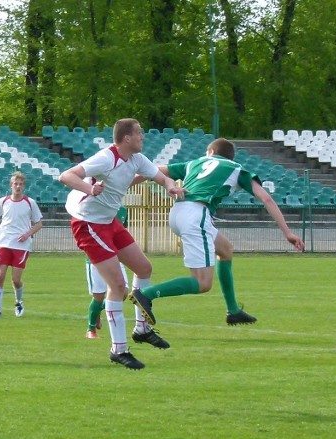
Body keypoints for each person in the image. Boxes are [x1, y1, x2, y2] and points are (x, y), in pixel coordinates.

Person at [128, 137, 305, 327]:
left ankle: (234, 311)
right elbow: (266, 199)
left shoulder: (196, 163)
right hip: (196, 215)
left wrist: (125, 184)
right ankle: (145, 294)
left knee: (225, 249)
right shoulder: (237, 169)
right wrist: (287, 232)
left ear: (211, 152)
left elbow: (153, 172)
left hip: (179, 212)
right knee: (203, 283)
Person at [59, 118, 184, 370]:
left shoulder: (137, 159)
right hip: (89, 224)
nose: (143, 137)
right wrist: (89, 188)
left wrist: (171, 186)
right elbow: (66, 176)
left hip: (109, 221)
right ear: (126, 138)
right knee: (118, 285)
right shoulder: (106, 158)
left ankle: (142, 330)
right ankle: (118, 349)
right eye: (139, 133)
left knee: (144, 268)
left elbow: (161, 177)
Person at [0, 171, 43, 319]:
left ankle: (19, 301)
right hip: (3, 242)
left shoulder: (30, 202)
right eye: (16, 184)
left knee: (16, 279)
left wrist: (27, 234)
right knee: (0, 274)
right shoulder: (3, 201)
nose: (18, 186)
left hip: (21, 245)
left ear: (24, 186)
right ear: (11, 185)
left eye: (21, 184)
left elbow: (39, 223)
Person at [84, 206, 129, 339]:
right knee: (98, 296)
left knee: (124, 292)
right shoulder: (97, 209)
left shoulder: (123, 211)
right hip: (96, 258)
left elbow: (122, 232)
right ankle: (90, 329)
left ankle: (98, 309)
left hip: (116, 257)